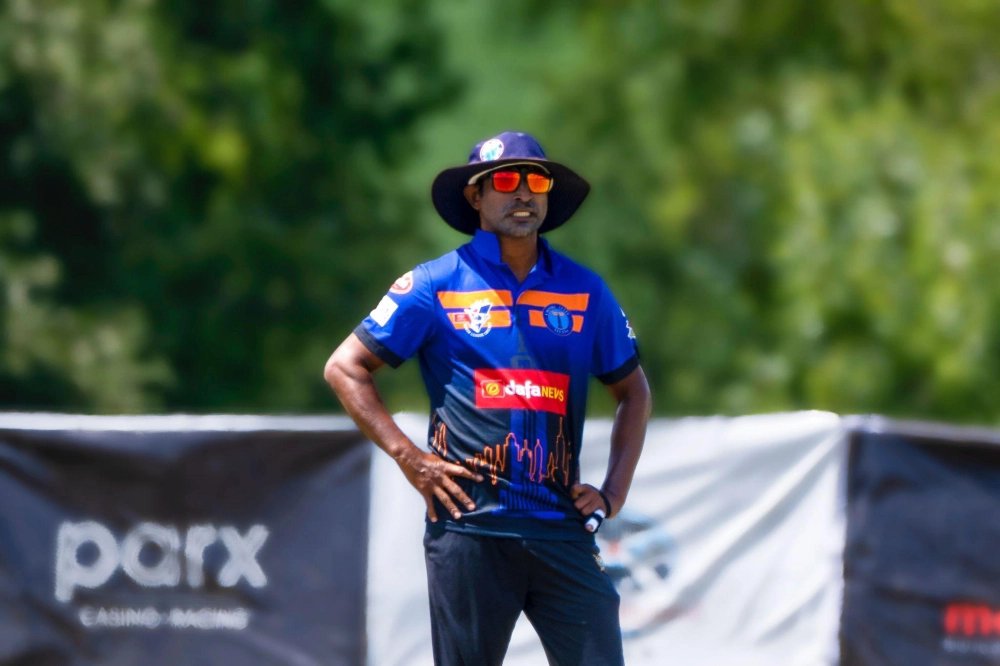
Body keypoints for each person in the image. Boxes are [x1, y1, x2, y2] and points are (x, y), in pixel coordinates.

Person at [324, 130, 651, 666]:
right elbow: (344, 368)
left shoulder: (586, 290)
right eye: (505, 181)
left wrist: (613, 493)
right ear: (475, 196)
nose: (522, 193)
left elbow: (633, 392)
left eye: (536, 181)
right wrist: (411, 459)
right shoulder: (433, 284)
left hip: (561, 531)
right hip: (469, 529)